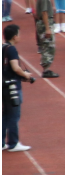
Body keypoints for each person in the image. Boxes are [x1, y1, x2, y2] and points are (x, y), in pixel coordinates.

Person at [2, 24, 35, 152]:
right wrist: (25, 74)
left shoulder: (2, 48)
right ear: (15, 36)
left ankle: (1, 142)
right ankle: (13, 143)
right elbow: (15, 67)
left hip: (3, 85)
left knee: (5, 114)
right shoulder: (12, 50)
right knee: (14, 115)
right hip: (12, 87)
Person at [32, 0, 58, 78]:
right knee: (49, 46)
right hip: (45, 23)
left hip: (42, 23)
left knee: (46, 45)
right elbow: (44, 13)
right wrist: (47, 28)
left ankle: (46, 67)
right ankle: (46, 69)